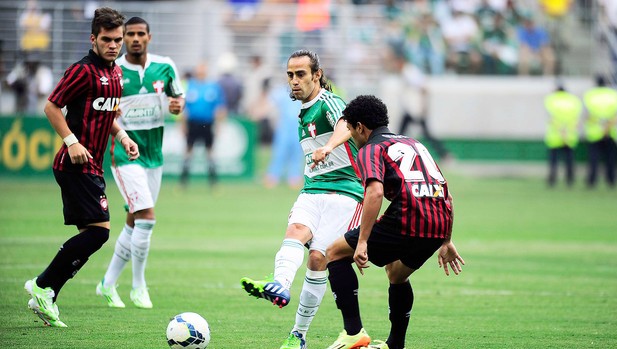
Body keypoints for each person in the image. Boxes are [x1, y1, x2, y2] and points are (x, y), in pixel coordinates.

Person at [240, 50, 364, 349]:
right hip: (312, 190)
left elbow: (345, 125)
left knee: (318, 258)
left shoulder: (329, 102)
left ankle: (298, 335)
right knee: (295, 232)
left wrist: (329, 146)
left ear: (316, 75)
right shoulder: (302, 111)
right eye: (290, 75)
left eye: (301, 75)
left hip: (345, 191)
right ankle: (280, 286)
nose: (294, 81)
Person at [23, 7, 138, 327]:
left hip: (93, 166)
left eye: (118, 40)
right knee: (99, 232)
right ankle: (43, 286)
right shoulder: (82, 71)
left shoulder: (115, 73)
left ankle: (46, 295)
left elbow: (108, 113)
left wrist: (124, 136)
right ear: (93, 39)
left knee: (92, 235)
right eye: (107, 40)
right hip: (74, 164)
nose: (114, 45)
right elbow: (51, 105)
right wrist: (72, 141)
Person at [324, 95, 464, 349]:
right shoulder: (415, 143)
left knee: (333, 253)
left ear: (360, 127)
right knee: (396, 273)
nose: (353, 138)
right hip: (438, 222)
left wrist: (363, 241)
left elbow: (375, 192)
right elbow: (446, 192)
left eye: (351, 131)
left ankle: (353, 332)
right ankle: (395, 344)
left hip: (409, 218)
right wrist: (447, 238)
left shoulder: (371, 148)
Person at [96, 17, 185, 309]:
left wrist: (177, 106)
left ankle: (107, 284)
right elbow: (103, 112)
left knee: (135, 222)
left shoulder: (165, 66)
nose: (135, 39)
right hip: (125, 155)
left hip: (154, 155)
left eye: (139, 34)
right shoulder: (115, 71)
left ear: (149, 36)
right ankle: (138, 286)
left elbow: (177, 99)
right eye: (129, 34)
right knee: (147, 216)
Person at [180, 62, 227, 187]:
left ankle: (213, 182)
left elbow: (220, 107)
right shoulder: (189, 86)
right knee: (188, 151)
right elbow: (184, 108)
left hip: (208, 123)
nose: (201, 72)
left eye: (203, 70)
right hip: (193, 123)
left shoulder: (213, 87)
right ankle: (183, 181)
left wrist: (219, 124)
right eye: (199, 70)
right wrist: (183, 124)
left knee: (210, 152)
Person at [583, 75, 617, 188]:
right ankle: (611, 179)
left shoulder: (589, 95)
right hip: (610, 131)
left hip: (594, 132)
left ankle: (592, 180)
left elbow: (587, 115)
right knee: (610, 158)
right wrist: (607, 126)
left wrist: (599, 124)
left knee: (593, 158)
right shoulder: (614, 95)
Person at [543, 84, 582, 187]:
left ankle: (552, 179)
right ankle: (570, 180)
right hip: (570, 135)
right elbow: (576, 119)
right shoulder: (574, 101)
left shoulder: (551, 99)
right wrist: (566, 131)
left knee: (553, 160)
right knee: (569, 160)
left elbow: (551, 118)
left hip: (555, 135)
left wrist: (561, 130)